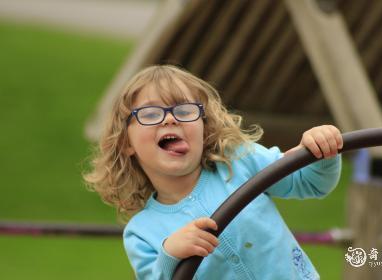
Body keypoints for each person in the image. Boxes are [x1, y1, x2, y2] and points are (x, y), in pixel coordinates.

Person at [84, 64, 342, 280]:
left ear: (204, 129)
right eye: (150, 114)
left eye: (185, 110)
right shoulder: (142, 231)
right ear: (127, 143)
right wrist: (170, 255)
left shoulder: (239, 160)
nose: (170, 119)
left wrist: (322, 151)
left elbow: (310, 183)